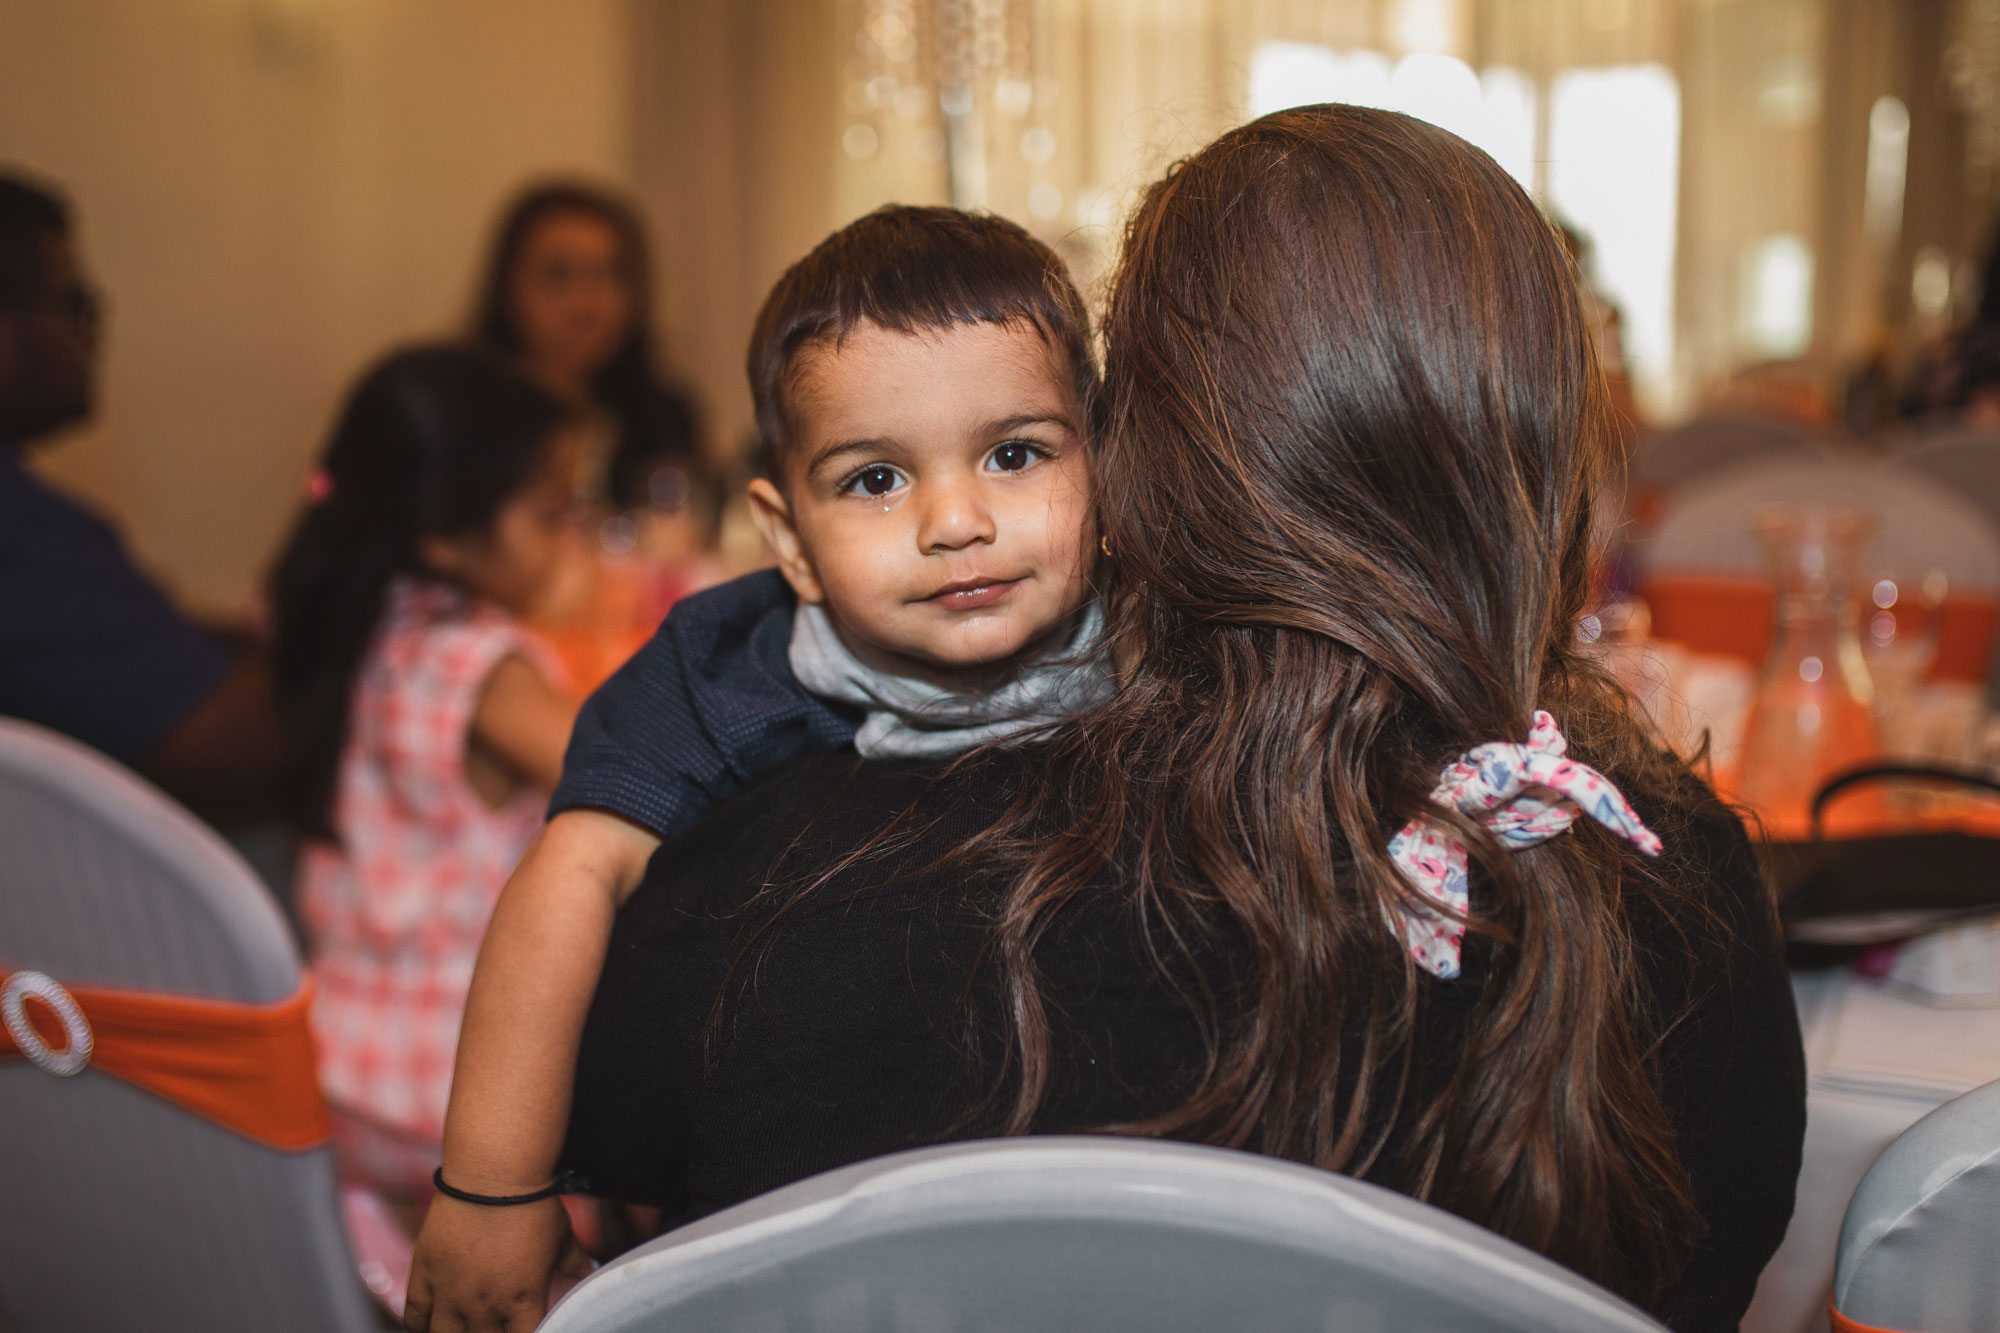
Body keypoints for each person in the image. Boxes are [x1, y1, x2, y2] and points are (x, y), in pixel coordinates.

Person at [541, 107, 1803, 1333]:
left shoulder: (762, 884)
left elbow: (639, 1240)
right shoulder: (1660, 880)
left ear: (1121, 451)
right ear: (1544, 443)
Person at [405, 205, 1104, 1331]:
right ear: (786, 540)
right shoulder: (729, 667)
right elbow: (571, 872)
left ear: (1104, 465)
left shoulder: (1175, 629)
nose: (956, 519)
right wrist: (492, 1183)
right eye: (875, 480)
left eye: (1014, 454)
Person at [267, 346, 583, 1189]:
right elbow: (635, 778)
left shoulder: (353, 632)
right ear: (444, 534)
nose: (569, 539)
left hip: (337, 1074)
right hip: (463, 1100)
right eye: (552, 514)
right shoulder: (479, 667)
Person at [0, 170, 280, 819]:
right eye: (76, 303)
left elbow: (136, 641)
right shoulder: (20, 533)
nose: (95, 330)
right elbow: (230, 749)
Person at [469, 180, 707, 514]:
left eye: (609, 275)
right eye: (558, 276)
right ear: (506, 287)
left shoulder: (662, 417)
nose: (586, 305)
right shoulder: (465, 418)